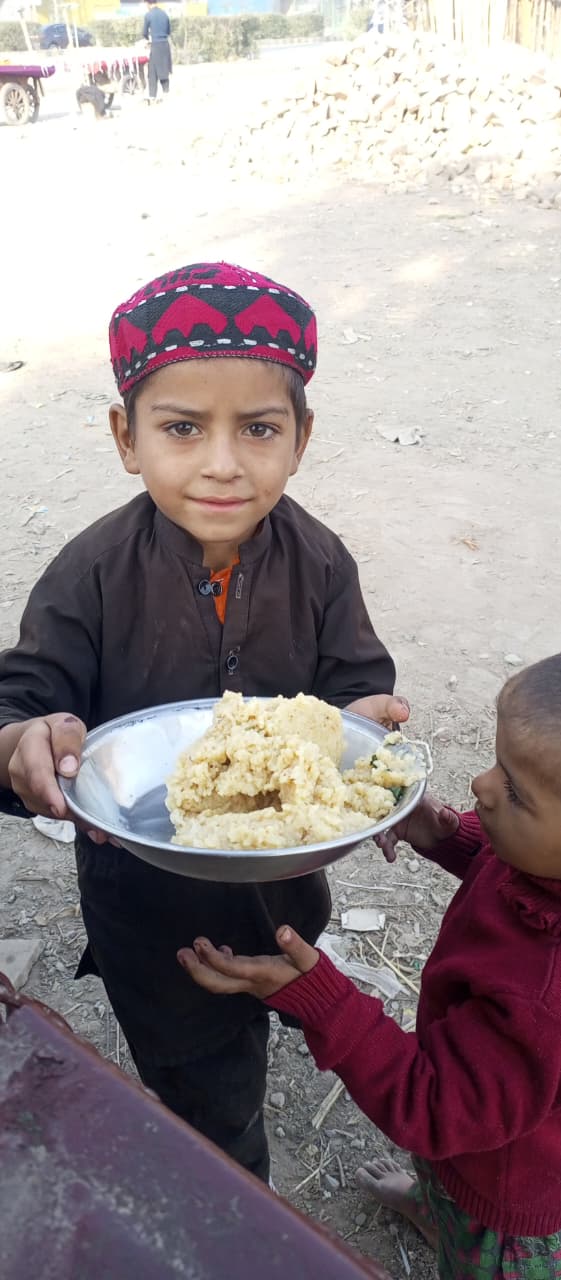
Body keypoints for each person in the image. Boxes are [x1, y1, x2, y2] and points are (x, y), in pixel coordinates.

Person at [0, 260, 408, 1185]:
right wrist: (25, 742)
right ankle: (233, 1188)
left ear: (300, 438)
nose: (222, 463)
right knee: (203, 1089)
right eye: (182, 428)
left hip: (285, 890)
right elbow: (18, 702)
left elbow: (355, 684)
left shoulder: (320, 561)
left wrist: (363, 730)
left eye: (258, 428)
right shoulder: (89, 574)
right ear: (126, 437)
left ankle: (258, 1034)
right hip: (151, 911)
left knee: (279, 996)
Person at [179, 653, 561, 1276]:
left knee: (469, 1220)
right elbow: (509, 873)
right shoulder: (543, 869)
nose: (481, 785)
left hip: (506, 1200)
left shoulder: (543, 1001)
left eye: (514, 791)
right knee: (444, 1175)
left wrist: (323, 1000)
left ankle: (454, 1225)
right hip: (478, 1115)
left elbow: (434, 1105)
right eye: (497, 765)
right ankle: (434, 1205)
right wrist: (448, 837)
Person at [142, 0, 172, 101]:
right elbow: (168, 31)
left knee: (152, 71)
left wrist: (148, 40)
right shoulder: (164, 14)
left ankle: (152, 96)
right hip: (165, 45)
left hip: (155, 45)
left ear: (148, 3)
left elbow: (144, 33)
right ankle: (166, 93)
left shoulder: (148, 15)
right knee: (164, 69)